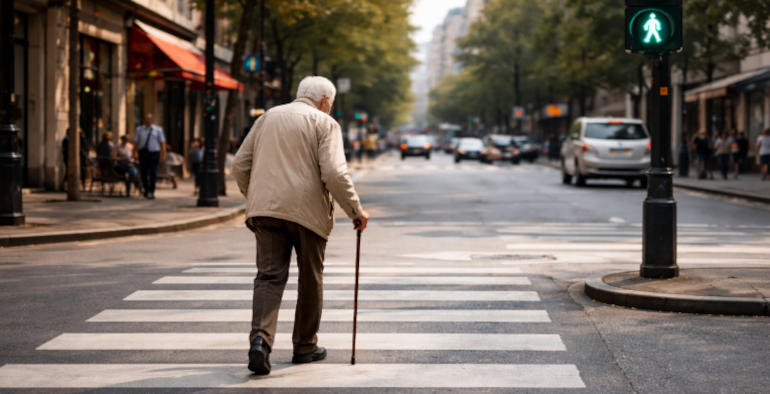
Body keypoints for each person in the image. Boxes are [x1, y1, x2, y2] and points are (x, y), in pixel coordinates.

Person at [232, 76, 369, 376]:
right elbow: (334, 172)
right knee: (311, 278)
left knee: (268, 277)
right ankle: (305, 346)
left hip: (266, 211)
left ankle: (260, 341)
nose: (329, 109)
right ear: (323, 102)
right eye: (330, 105)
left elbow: (239, 164)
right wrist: (355, 211)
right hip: (308, 214)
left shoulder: (267, 117)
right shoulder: (325, 123)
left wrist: (256, 197)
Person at [133, 113, 167, 199]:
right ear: (144, 120)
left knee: (153, 172)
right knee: (143, 172)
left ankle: (151, 191)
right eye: (146, 119)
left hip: (154, 153)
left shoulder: (158, 130)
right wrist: (135, 152)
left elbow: (162, 142)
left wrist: (163, 153)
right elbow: (136, 142)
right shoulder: (139, 129)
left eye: (149, 119)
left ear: (152, 120)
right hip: (143, 153)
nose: (148, 120)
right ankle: (146, 189)